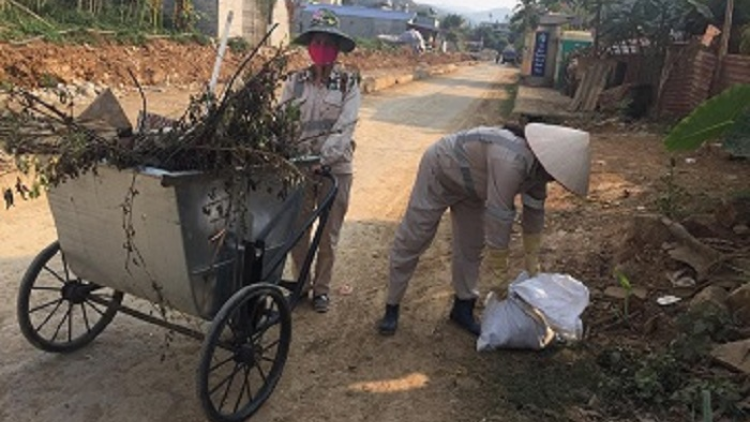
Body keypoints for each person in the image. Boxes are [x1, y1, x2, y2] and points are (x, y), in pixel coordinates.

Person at [377, 122, 591, 336]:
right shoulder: (511, 160)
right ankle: (392, 305)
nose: (553, 180)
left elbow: (534, 212)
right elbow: (499, 215)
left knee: (471, 246)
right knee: (415, 237)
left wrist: (532, 258)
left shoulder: (537, 172)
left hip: (472, 189)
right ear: (547, 160)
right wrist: (500, 267)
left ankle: (463, 308)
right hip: (440, 173)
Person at [281, 8, 361, 313]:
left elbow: (345, 125)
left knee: (329, 234)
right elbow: (282, 117)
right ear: (310, 45)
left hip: (335, 169)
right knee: (297, 230)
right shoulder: (295, 80)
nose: (322, 48)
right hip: (300, 167)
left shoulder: (347, 83)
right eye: (317, 41)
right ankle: (300, 284)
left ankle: (321, 290)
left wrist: (324, 158)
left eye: (329, 42)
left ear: (337, 47)